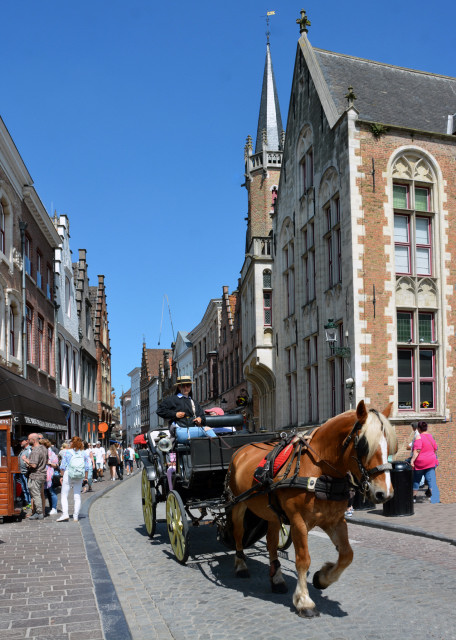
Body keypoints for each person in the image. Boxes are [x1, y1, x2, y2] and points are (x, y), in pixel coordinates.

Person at [156, 375, 217, 443]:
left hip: (194, 429)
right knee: (208, 430)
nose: (185, 388)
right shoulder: (172, 400)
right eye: (183, 386)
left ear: (190, 386)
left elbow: (202, 416)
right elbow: (160, 411)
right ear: (179, 387)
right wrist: (175, 414)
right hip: (180, 430)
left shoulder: (194, 402)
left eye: (188, 385)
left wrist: (200, 419)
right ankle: (221, 449)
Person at [57, 436, 90, 522]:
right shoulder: (84, 453)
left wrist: (62, 476)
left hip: (68, 473)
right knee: (77, 495)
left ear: (72, 443)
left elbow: (62, 466)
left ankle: (65, 514)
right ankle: (75, 516)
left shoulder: (67, 452)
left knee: (64, 495)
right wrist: (85, 477)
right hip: (79, 475)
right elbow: (87, 467)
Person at [410, 421, 440, 504]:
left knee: (416, 480)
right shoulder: (431, 437)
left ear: (419, 429)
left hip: (421, 462)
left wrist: (412, 460)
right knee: (430, 480)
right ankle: (433, 497)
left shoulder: (419, 437)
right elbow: (435, 448)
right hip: (431, 461)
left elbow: (417, 450)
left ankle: (414, 498)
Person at [22, 433, 48, 520]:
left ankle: (39, 512)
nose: (28, 441)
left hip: (36, 475)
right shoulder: (44, 448)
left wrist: (25, 460)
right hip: (42, 474)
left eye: (29, 439)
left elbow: (33, 465)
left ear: (33, 440)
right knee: (38, 494)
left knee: (36, 494)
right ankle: (38, 512)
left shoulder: (36, 450)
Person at [41, 438, 59, 515]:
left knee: (51, 492)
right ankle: (44, 508)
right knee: (44, 492)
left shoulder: (51, 453)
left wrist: (49, 463)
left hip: (49, 475)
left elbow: (56, 465)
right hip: (41, 474)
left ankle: (54, 508)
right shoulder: (40, 452)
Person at [16, 438, 32, 509]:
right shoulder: (23, 450)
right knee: (24, 488)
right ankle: (27, 502)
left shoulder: (29, 449)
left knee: (28, 488)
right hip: (21, 472)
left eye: (21, 441)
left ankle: (30, 503)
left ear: (26, 441)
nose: (20, 443)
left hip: (26, 472)